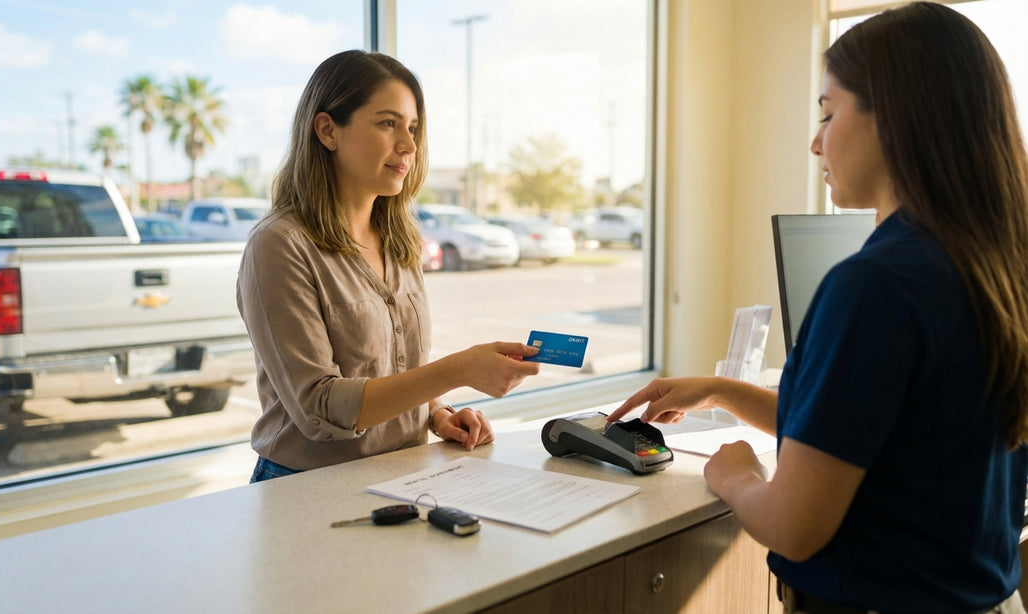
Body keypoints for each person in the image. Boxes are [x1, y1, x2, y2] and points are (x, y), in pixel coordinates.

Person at [608, 3, 1028, 613]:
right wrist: (723, 391)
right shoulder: (989, 267)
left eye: (828, 114)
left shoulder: (875, 284)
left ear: (896, 117)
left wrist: (735, 474)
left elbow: (794, 524)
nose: (815, 142)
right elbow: (877, 433)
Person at [238, 50, 540, 483]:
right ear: (327, 131)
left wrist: (437, 413)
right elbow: (318, 408)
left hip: (402, 477)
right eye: (388, 123)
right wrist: (459, 370)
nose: (410, 146)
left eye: (413, 128)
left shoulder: (399, 239)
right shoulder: (279, 245)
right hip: (305, 487)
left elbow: (393, 371)